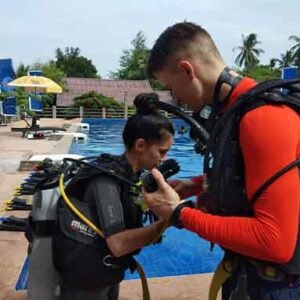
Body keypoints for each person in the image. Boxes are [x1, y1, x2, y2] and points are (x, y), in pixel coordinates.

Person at [142, 21, 300, 299]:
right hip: (249, 275)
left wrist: (179, 213)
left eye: (171, 87)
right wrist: (192, 185)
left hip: (278, 286)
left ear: (187, 70)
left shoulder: (263, 118)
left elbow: (274, 241)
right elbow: (247, 177)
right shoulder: (236, 111)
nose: (174, 98)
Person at [52, 97, 175, 300]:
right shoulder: (106, 182)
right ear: (141, 145)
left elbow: (134, 205)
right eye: (162, 152)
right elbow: (118, 245)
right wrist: (171, 219)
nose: (163, 159)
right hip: (87, 279)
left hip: (105, 271)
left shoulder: (128, 175)